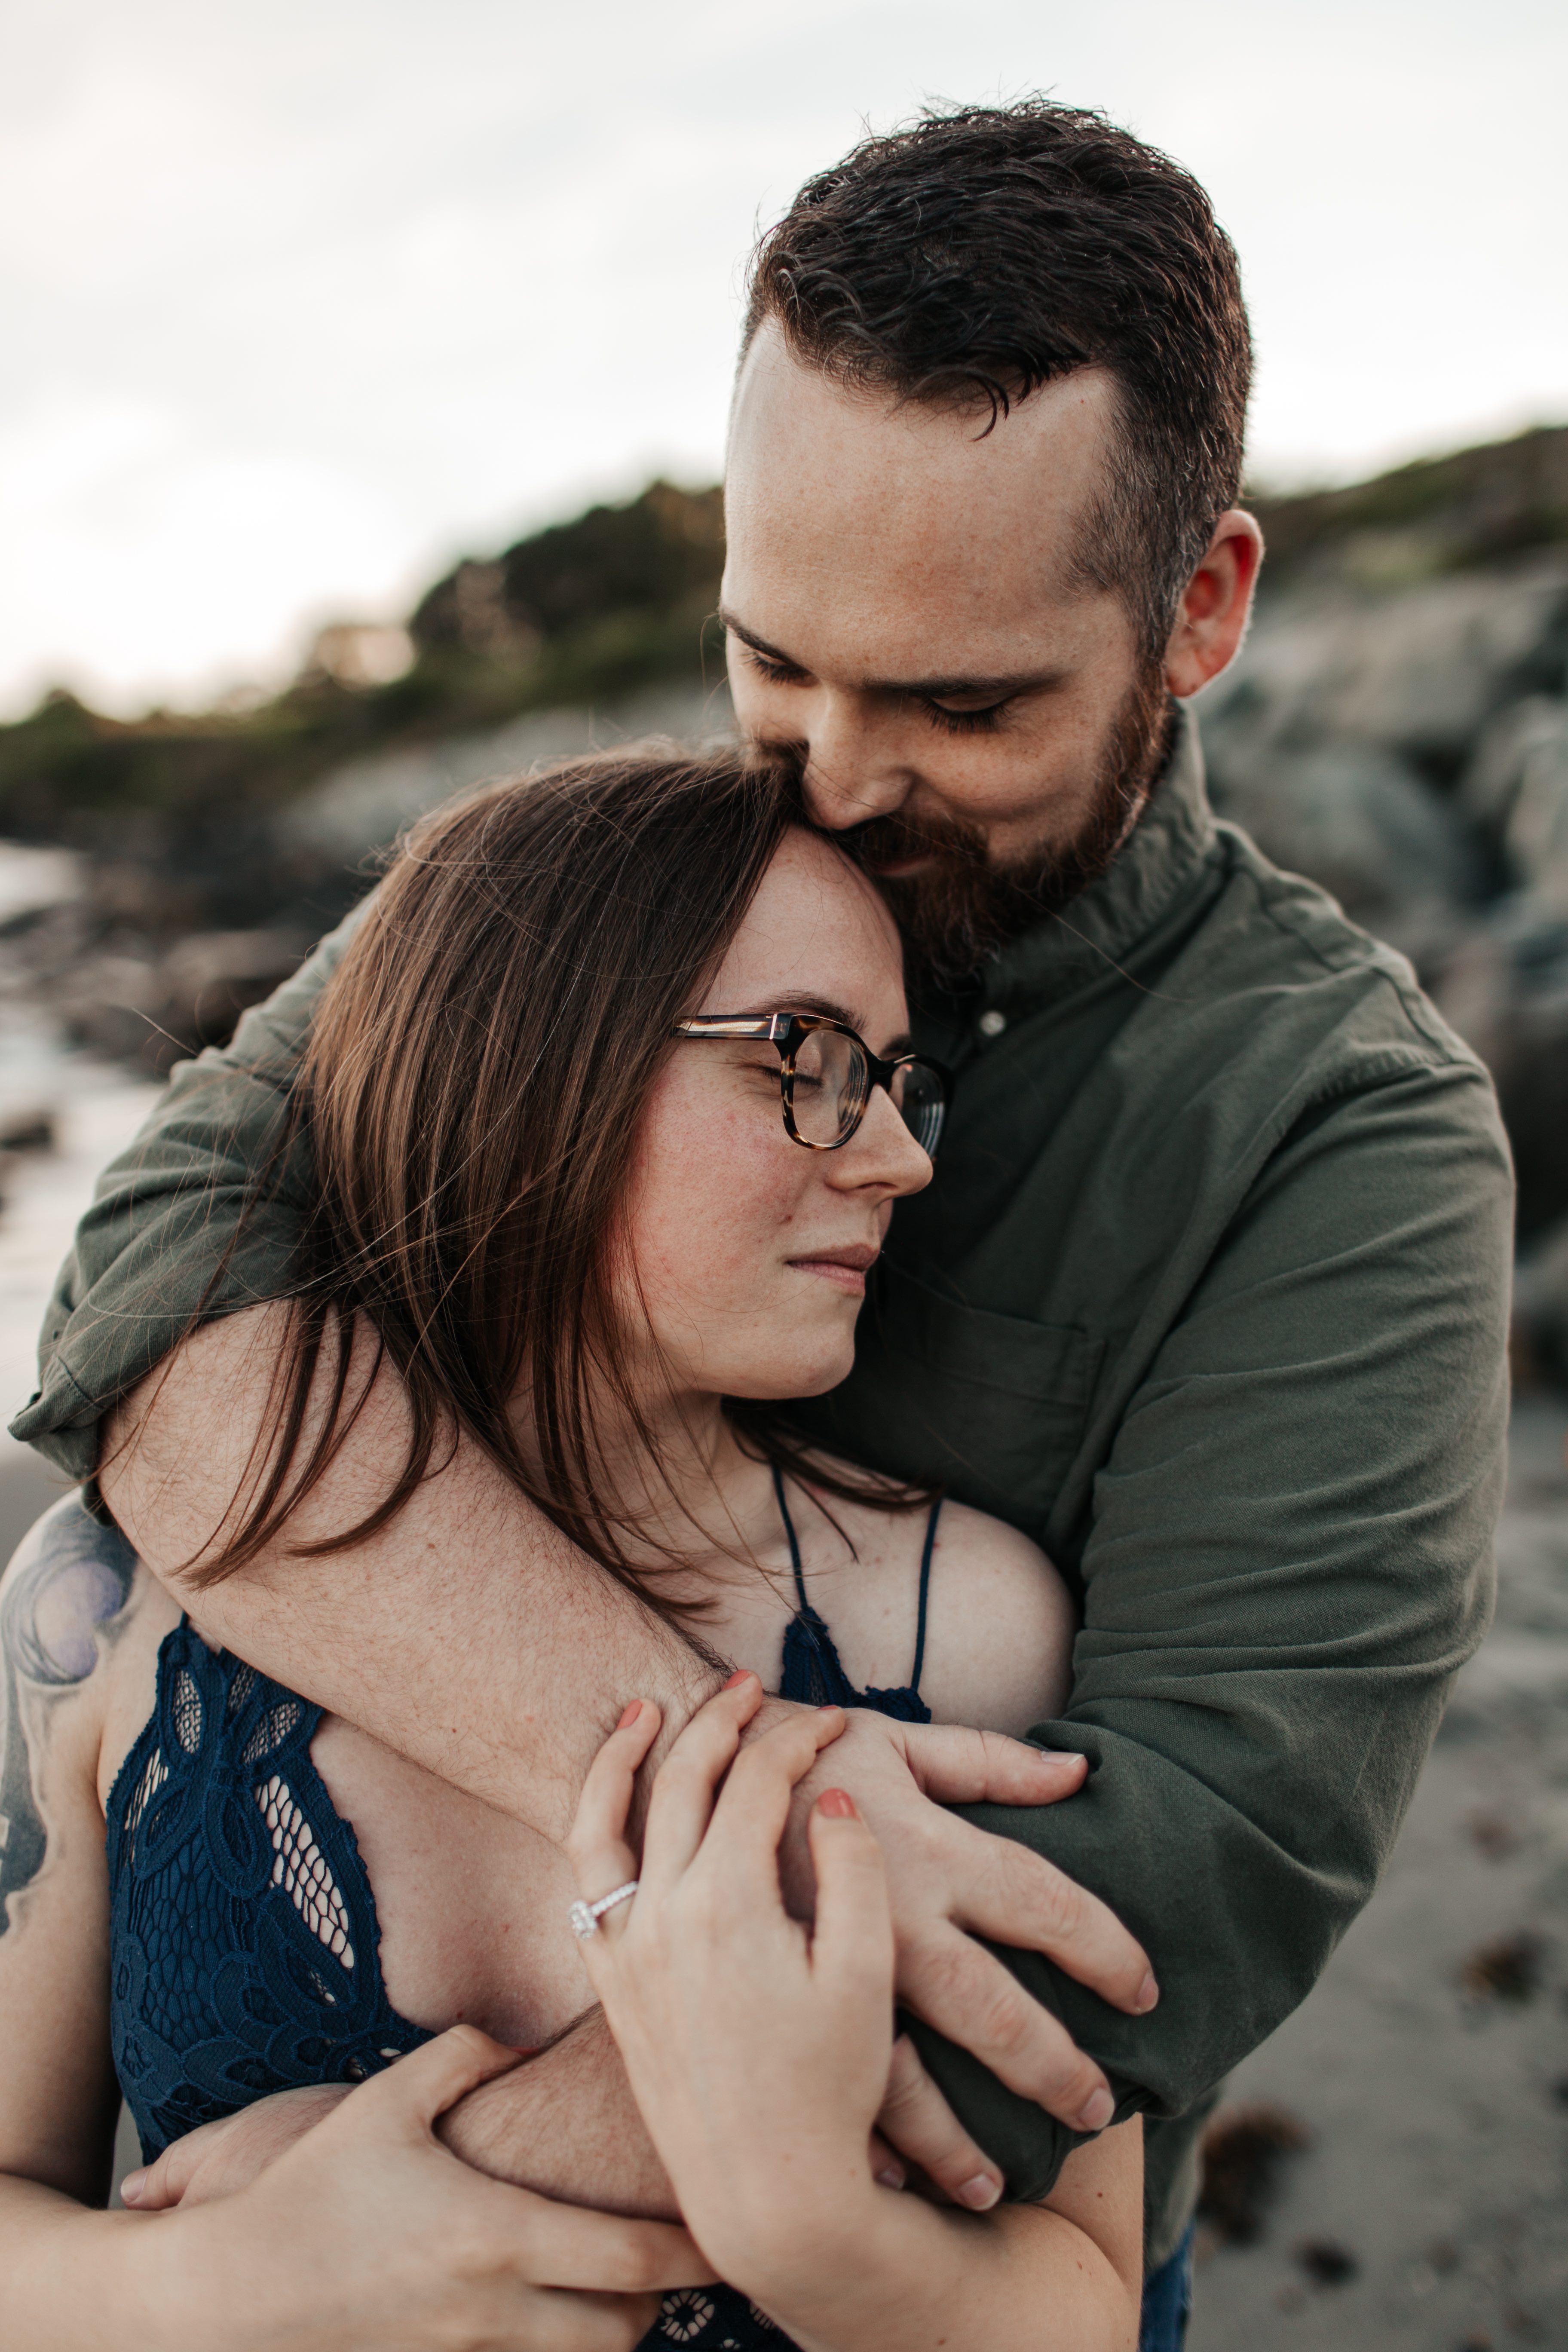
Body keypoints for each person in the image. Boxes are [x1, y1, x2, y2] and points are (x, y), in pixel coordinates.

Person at [9, 98, 1511, 2349]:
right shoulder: (631, 896)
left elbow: (1192, 1875)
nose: (826, 774)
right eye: (772, 658)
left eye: (964, 700)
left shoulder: (1344, 1136)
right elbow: (158, 1286)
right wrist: (715, 1794)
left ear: (1199, 609)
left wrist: (423, 2222)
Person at [0, 753, 1144, 2350]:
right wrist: (223, 2285)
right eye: (809, 1060)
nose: (900, 1156)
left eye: (895, 1079)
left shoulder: (972, 1633)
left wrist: (815, 2241)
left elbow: (1089, 2297)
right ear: (530, 1064)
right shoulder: (106, 1606)